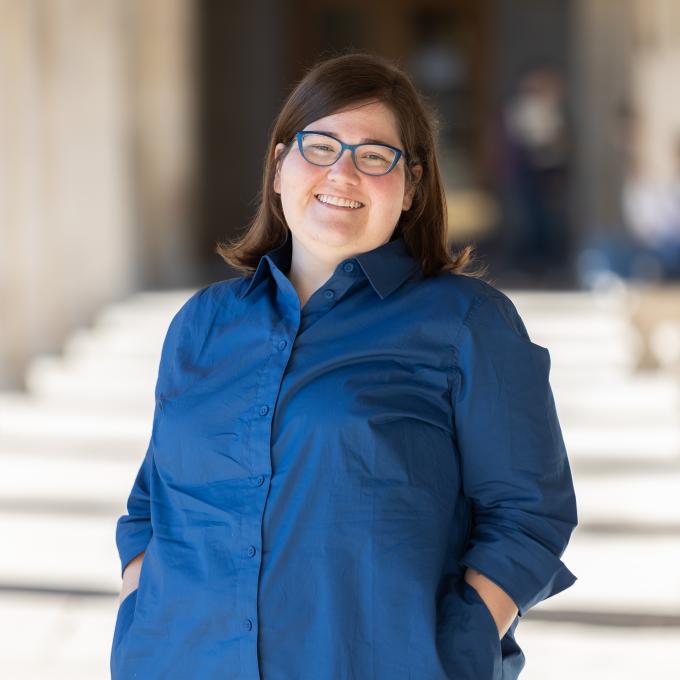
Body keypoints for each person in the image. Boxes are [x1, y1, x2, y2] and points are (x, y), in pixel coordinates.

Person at [111, 51, 578, 680]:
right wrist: (140, 600)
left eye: (374, 156)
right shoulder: (203, 323)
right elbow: (154, 499)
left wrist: (454, 646)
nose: (343, 173)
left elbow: (529, 513)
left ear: (412, 187)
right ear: (279, 166)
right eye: (320, 145)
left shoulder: (468, 323)